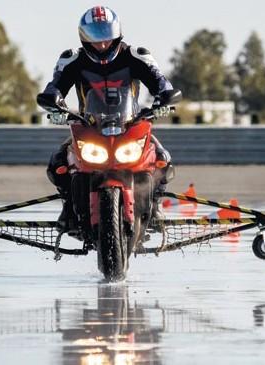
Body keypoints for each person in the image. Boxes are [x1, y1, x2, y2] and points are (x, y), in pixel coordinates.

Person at [37, 6, 177, 229]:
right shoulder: (72, 61)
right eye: (95, 39)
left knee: (163, 158)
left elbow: (160, 82)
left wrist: (164, 100)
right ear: (84, 38)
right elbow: (55, 87)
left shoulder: (136, 56)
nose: (102, 44)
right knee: (57, 163)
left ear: (117, 34)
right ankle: (68, 207)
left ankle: (155, 204)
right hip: (88, 126)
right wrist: (54, 103)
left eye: (107, 38)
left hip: (131, 123)